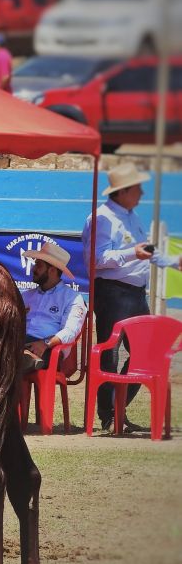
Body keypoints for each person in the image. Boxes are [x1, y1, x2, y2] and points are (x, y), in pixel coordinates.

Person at [82, 164, 182, 432]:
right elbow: (95, 259)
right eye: (137, 187)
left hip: (135, 292)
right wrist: (130, 254)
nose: (142, 192)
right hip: (114, 291)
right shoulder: (101, 218)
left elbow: (146, 250)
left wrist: (174, 262)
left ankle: (117, 410)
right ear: (123, 191)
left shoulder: (131, 216)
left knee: (145, 353)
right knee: (110, 354)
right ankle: (109, 415)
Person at [20, 242, 87, 372]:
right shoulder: (26, 296)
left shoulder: (72, 298)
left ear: (52, 270)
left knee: (8, 359)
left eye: (38, 265)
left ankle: (20, 358)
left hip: (50, 348)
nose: (33, 268)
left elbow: (70, 331)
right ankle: (21, 357)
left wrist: (45, 343)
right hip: (21, 341)